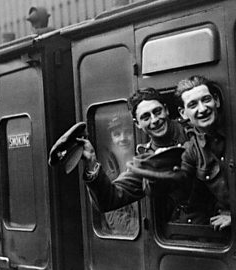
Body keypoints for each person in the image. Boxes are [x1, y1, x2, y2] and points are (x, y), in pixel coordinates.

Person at [78, 88, 191, 225]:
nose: (154, 120)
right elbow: (109, 200)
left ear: (166, 110)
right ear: (137, 124)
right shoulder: (147, 160)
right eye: (145, 117)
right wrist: (91, 163)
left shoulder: (192, 133)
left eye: (157, 112)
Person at [174, 75, 231, 231]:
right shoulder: (191, 150)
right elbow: (186, 193)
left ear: (216, 101)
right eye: (193, 104)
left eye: (206, 100)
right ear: (183, 113)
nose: (202, 109)